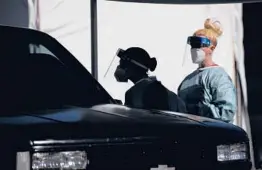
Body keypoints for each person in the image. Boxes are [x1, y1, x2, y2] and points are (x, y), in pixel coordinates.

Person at [177, 18, 236, 123]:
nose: (194, 49)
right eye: (192, 44)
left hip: (213, 135)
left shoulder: (218, 77)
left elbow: (227, 112)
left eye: (199, 44)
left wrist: (199, 109)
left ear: (212, 48)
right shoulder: (186, 81)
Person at [114, 47, 187, 112]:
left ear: (132, 67)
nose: (119, 68)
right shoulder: (163, 91)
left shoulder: (133, 94)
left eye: (121, 65)